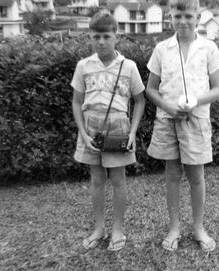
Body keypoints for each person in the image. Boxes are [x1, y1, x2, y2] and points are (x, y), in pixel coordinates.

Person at [145, 0, 219, 252]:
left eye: (188, 15)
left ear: (198, 17)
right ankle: (174, 227)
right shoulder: (161, 49)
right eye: (177, 15)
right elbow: (150, 89)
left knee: (196, 176)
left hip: (196, 119)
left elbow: (218, 89)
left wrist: (195, 102)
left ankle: (198, 227)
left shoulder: (209, 48)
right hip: (168, 119)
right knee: (171, 175)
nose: (182, 21)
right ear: (170, 16)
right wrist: (169, 107)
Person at [71, 12, 145, 251]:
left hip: (118, 126)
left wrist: (133, 132)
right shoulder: (83, 66)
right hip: (91, 127)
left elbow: (140, 100)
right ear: (90, 37)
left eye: (106, 36)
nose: (101, 41)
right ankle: (100, 228)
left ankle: (118, 229)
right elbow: (76, 101)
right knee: (97, 180)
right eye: (96, 36)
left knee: (118, 180)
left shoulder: (129, 66)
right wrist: (82, 132)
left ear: (116, 37)